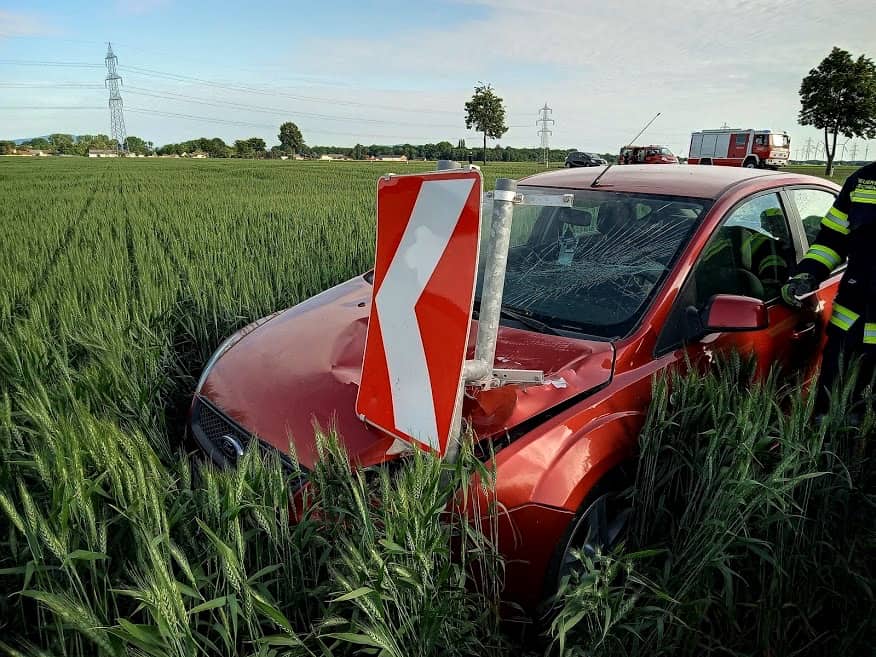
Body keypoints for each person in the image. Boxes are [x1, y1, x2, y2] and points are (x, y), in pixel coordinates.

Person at [782, 161, 876, 413]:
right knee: (829, 416)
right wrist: (808, 273)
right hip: (850, 329)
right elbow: (832, 239)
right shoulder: (862, 181)